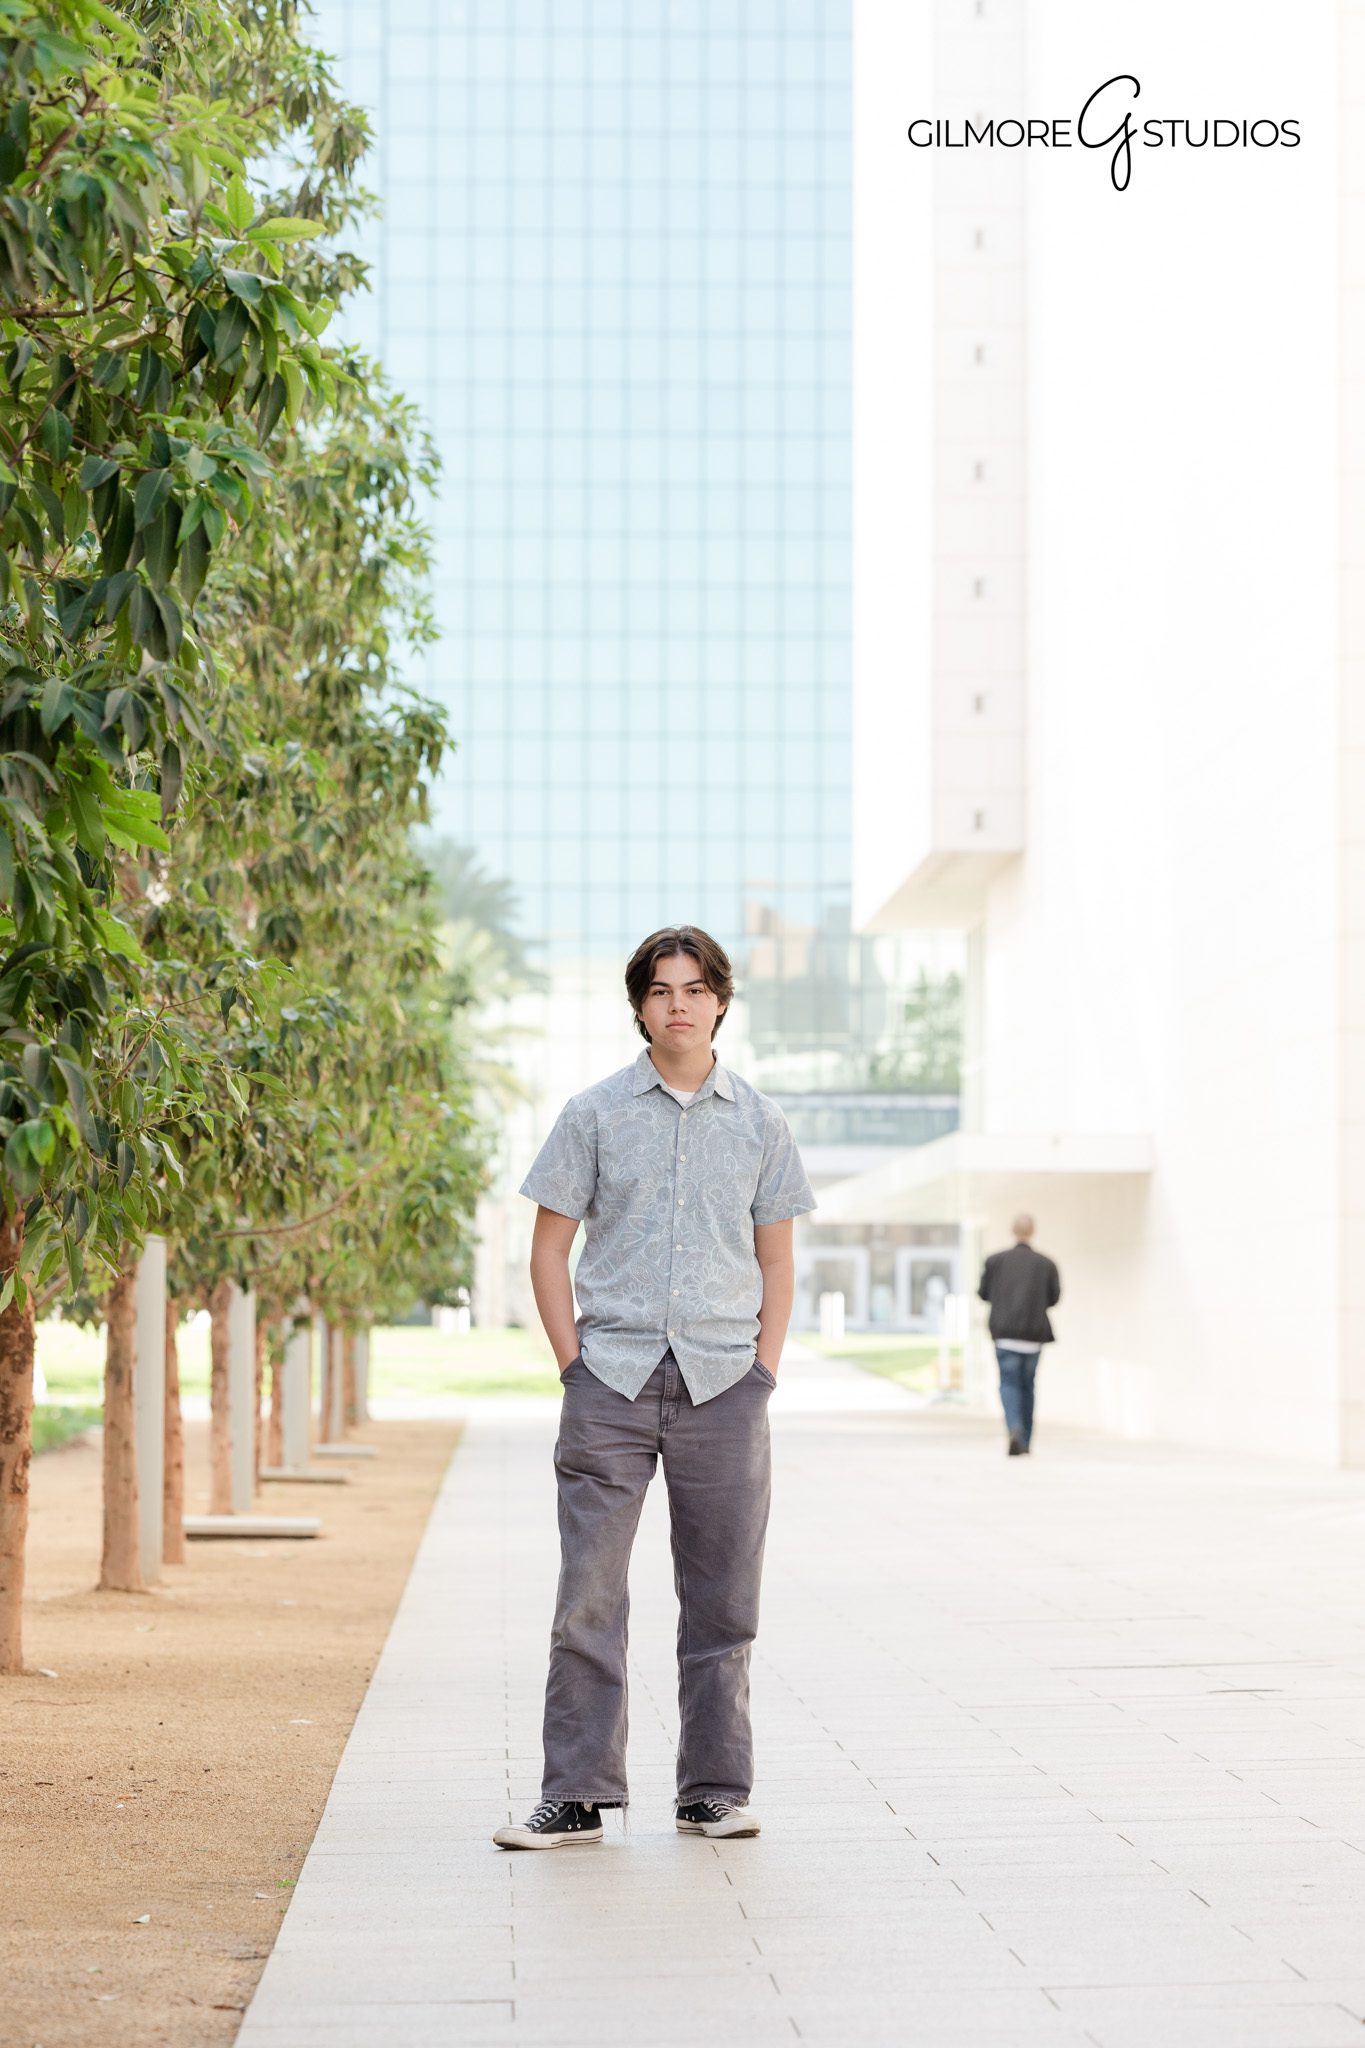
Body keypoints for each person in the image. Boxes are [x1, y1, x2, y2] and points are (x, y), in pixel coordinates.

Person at [492, 924, 816, 1852]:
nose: (678, 1003)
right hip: (613, 1383)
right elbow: (548, 1249)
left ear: (720, 1001)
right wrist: (572, 1361)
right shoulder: (593, 1114)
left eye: (695, 987)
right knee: (588, 1594)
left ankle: (712, 1790)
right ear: (638, 1005)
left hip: (725, 1385)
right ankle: (578, 1795)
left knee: (721, 1600)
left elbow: (777, 1259)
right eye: (660, 989)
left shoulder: (760, 1123)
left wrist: (764, 1370)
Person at [977, 1214, 1061, 1456]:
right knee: (1028, 1386)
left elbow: (983, 1293)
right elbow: (1054, 1298)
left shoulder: (995, 1261)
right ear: (1033, 1231)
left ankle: (1014, 1428)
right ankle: (1025, 1439)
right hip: (1034, 1336)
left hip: (1005, 1334)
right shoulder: (1046, 1264)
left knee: (1009, 1384)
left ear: (1012, 1230)